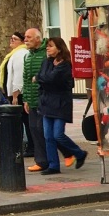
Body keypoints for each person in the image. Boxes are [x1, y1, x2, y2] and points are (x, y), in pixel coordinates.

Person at [35, 36, 88, 174]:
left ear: (59, 48)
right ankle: (53, 166)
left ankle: (79, 153)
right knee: (48, 136)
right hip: (47, 103)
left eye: (50, 46)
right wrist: (42, 79)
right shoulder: (47, 62)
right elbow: (43, 76)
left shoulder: (65, 64)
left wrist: (40, 79)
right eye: (47, 45)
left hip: (60, 104)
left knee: (58, 135)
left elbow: (50, 79)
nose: (47, 48)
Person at [20, 28, 50, 173]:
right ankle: (41, 160)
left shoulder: (46, 54)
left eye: (29, 37)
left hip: (44, 99)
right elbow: (25, 79)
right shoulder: (28, 56)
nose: (25, 40)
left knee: (42, 129)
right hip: (32, 100)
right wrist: (26, 99)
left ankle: (45, 160)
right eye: (25, 37)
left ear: (38, 39)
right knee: (34, 129)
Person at [2, 31, 32, 156]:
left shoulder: (21, 54)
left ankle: (29, 147)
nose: (11, 40)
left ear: (21, 41)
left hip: (20, 93)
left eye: (15, 39)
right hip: (17, 93)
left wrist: (15, 95)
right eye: (11, 38)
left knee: (24, 121)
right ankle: (26, 145)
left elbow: (19, 76)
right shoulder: (14, 54)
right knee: (23, 121)